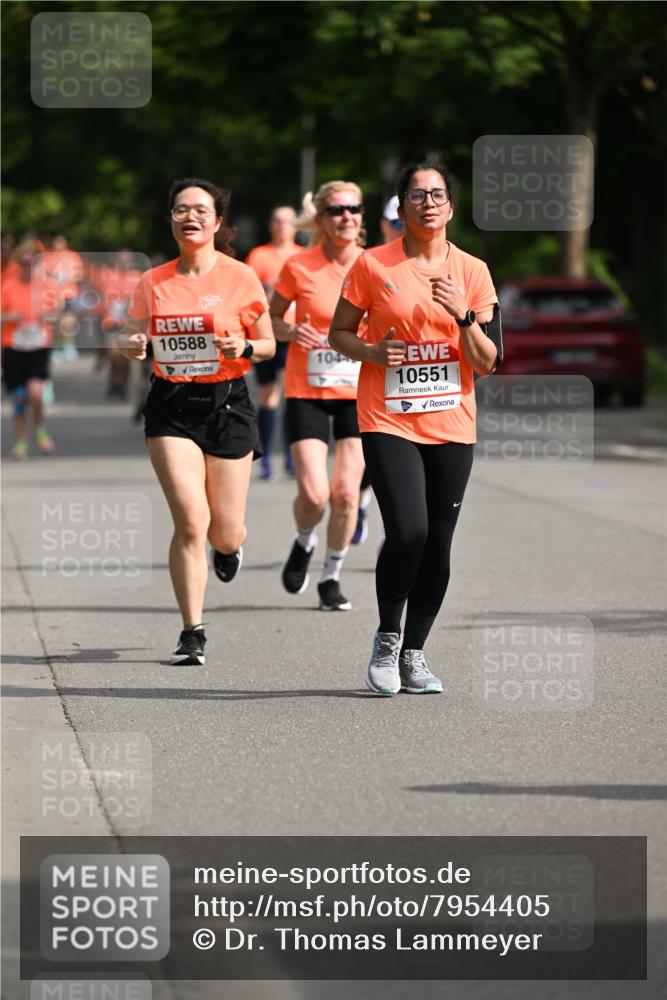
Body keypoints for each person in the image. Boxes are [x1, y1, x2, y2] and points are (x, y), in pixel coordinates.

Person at [329, 162, 500, 694]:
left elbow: (488, 361)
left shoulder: (473, 271)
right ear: (400, 207)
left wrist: (464, 317)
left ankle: (415, 653)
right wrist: (373, 351)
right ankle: (387, 638)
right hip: (388, 417)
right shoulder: (372, 264)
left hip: (452, 423)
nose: (428, 203)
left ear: (451, 207)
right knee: (409, 531)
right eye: (417, 195)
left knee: (439, 542)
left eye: (438, 194)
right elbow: (338, 334)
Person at [119, 177, 275, 665]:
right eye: (181, 210)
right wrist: (132, 345)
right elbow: (129, 335)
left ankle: (229, 548)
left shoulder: (240, 277)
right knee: (191, 519)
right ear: (170, 219)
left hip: (228, 404)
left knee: (224, 531)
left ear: (217, 221)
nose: (190, 217)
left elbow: (268, 344)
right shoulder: (153, 281)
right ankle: (193, 629)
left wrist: (243, 346)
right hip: (171, 405)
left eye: (201, 210)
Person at [270, 182, 366, 611]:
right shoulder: (299, 266)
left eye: (354, 209)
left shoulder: (374, 265)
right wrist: (291, 330)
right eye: (337, 210)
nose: (347, 217)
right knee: (314, 495)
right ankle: (304, 539)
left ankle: (331, 575)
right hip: (306, 388)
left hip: (358, 392)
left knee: (345, 494)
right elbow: (270, 320)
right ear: (321, 220)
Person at [351, 194, 407, 546]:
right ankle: (359, 501)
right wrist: (369, 347)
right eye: (397, 223)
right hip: (367, 380)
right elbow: (345, 325)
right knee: (363, 459)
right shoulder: (369, 263)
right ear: (385, 224)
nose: (402, 229)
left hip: (416, 388)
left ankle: (396, 532)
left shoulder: (434, 262)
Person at [245, 206, 299, 479]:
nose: (282, 226)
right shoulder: (258, 255)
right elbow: (248, 293)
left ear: (296, 226)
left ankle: (291, 457)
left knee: (292, 394)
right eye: (277, 221)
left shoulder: (303, 256)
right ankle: (265, 458)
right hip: (265, 334)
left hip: (293, 335)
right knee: (268, 397)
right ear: (270, 225)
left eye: (287, 222)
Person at [1, 238, 58, 459]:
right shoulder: (8, 285)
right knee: (18, 397)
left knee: (35, 392)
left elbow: (58, 315)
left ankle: (40, 428)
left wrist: (48, 317)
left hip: (38, 345)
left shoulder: (46, 286)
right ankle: (21, 441)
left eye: (31, 262)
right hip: (14, 345)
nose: (27, 267)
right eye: (23, 262)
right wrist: (9, 317)